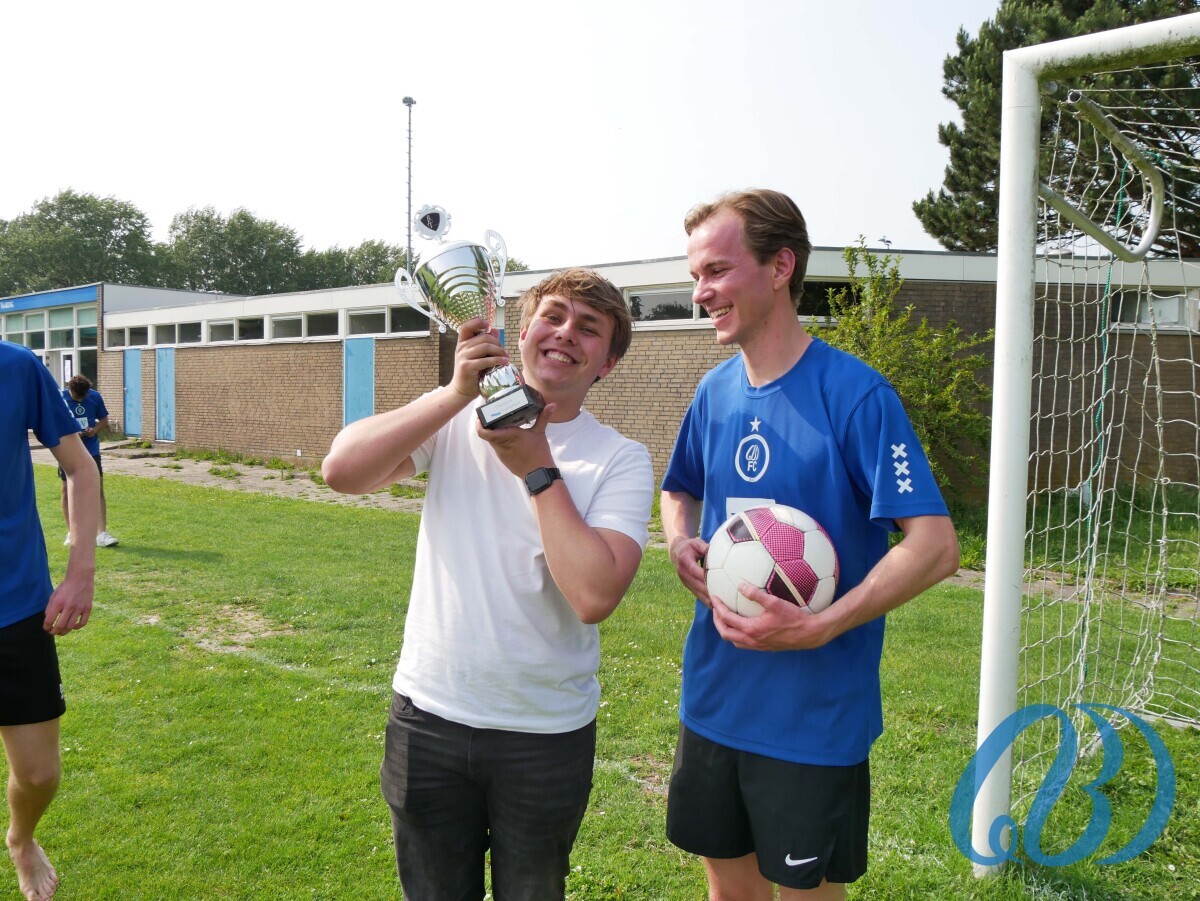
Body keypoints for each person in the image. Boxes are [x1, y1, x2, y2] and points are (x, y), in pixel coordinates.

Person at [660, 189, 960, 900]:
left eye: (717, 270)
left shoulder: (857, 396)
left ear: (780, 267)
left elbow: (935, 545)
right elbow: (679, 488)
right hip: (714, 699)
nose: (701, 292)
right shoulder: (714, 393)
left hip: (812, 718)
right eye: (696, 275)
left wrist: (821, 624)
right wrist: (678, 541)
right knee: (728, 889)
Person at [322, 267, 654, 899]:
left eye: (589, 328)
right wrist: (454, 393)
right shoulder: (455, 418)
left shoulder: (619, 457)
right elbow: (341, 470)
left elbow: (593, 596)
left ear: (607, 363)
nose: (565, 333)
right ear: (521, 334)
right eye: (552, 317)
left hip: (544, 734)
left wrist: (537, 468)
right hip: (429, 715)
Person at [2, 343, 100, 901]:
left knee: (39, 774)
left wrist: (80, 572)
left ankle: (20, 838)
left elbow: (80, 468)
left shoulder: (16, 367)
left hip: (14, 604)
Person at [58, 375, 117, 548]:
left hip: (91, 450)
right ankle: (71, 533)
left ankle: (102, 534)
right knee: (66, 490)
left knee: (98, 489)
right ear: (70, 389)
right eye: (78, 397)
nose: (81, 400)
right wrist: (70, 432)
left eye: (83, 397)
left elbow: (104, 420)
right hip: (68, 449)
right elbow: (53, 422)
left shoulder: (95, 397)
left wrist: (94, 430)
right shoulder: (60, 398)